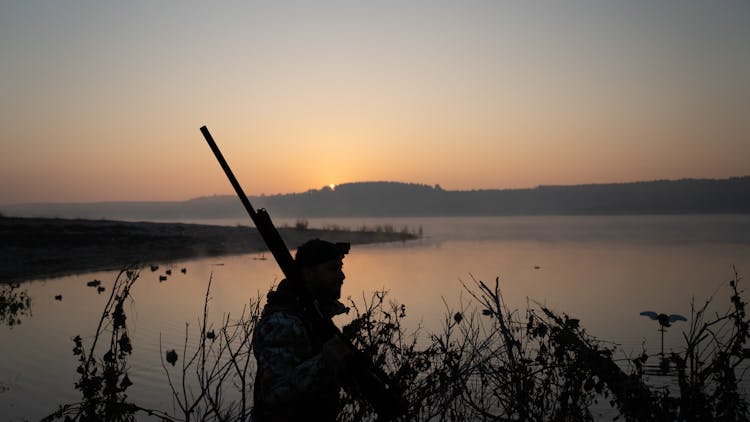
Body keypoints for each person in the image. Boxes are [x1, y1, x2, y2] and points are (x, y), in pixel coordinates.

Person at [252, 239, 353, 422]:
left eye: (340, 267)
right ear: (307, 274)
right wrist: (324, 363)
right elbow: (272, 394)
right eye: (332, 268)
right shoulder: (282, 324)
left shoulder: (315, 316)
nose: (342, 276)